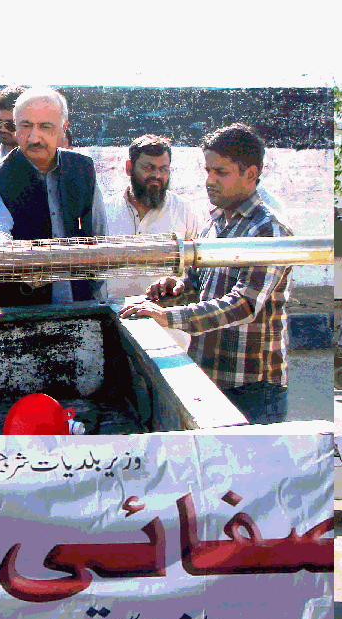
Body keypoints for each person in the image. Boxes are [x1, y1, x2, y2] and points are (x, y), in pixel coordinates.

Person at [119, 123, 292, 424]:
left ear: (250, 175)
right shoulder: (214, 224)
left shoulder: (268, 230)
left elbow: (244, 304)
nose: (209, 181)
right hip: (207, 378)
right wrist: (175, 287)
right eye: (208, 171)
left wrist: (168, 317)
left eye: (220, 172)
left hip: (252, 390)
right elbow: (198, 284)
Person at [0, 86, 105, 305]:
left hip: (80, 307)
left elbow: (99, 238)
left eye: (45, 126)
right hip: (20, 312)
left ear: (63, 128)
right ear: (16, 128)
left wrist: (100, 303)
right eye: (26, 126)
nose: (35, 137)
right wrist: (14, 256)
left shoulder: (82, 169)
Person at [105, 134, 206, 302]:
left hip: (167, 318)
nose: (157, 175)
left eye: (163, 169)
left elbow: (201, 273)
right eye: (148, 168)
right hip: (112, 314)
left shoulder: (186, 212)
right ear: (129, 168)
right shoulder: (104, 211)